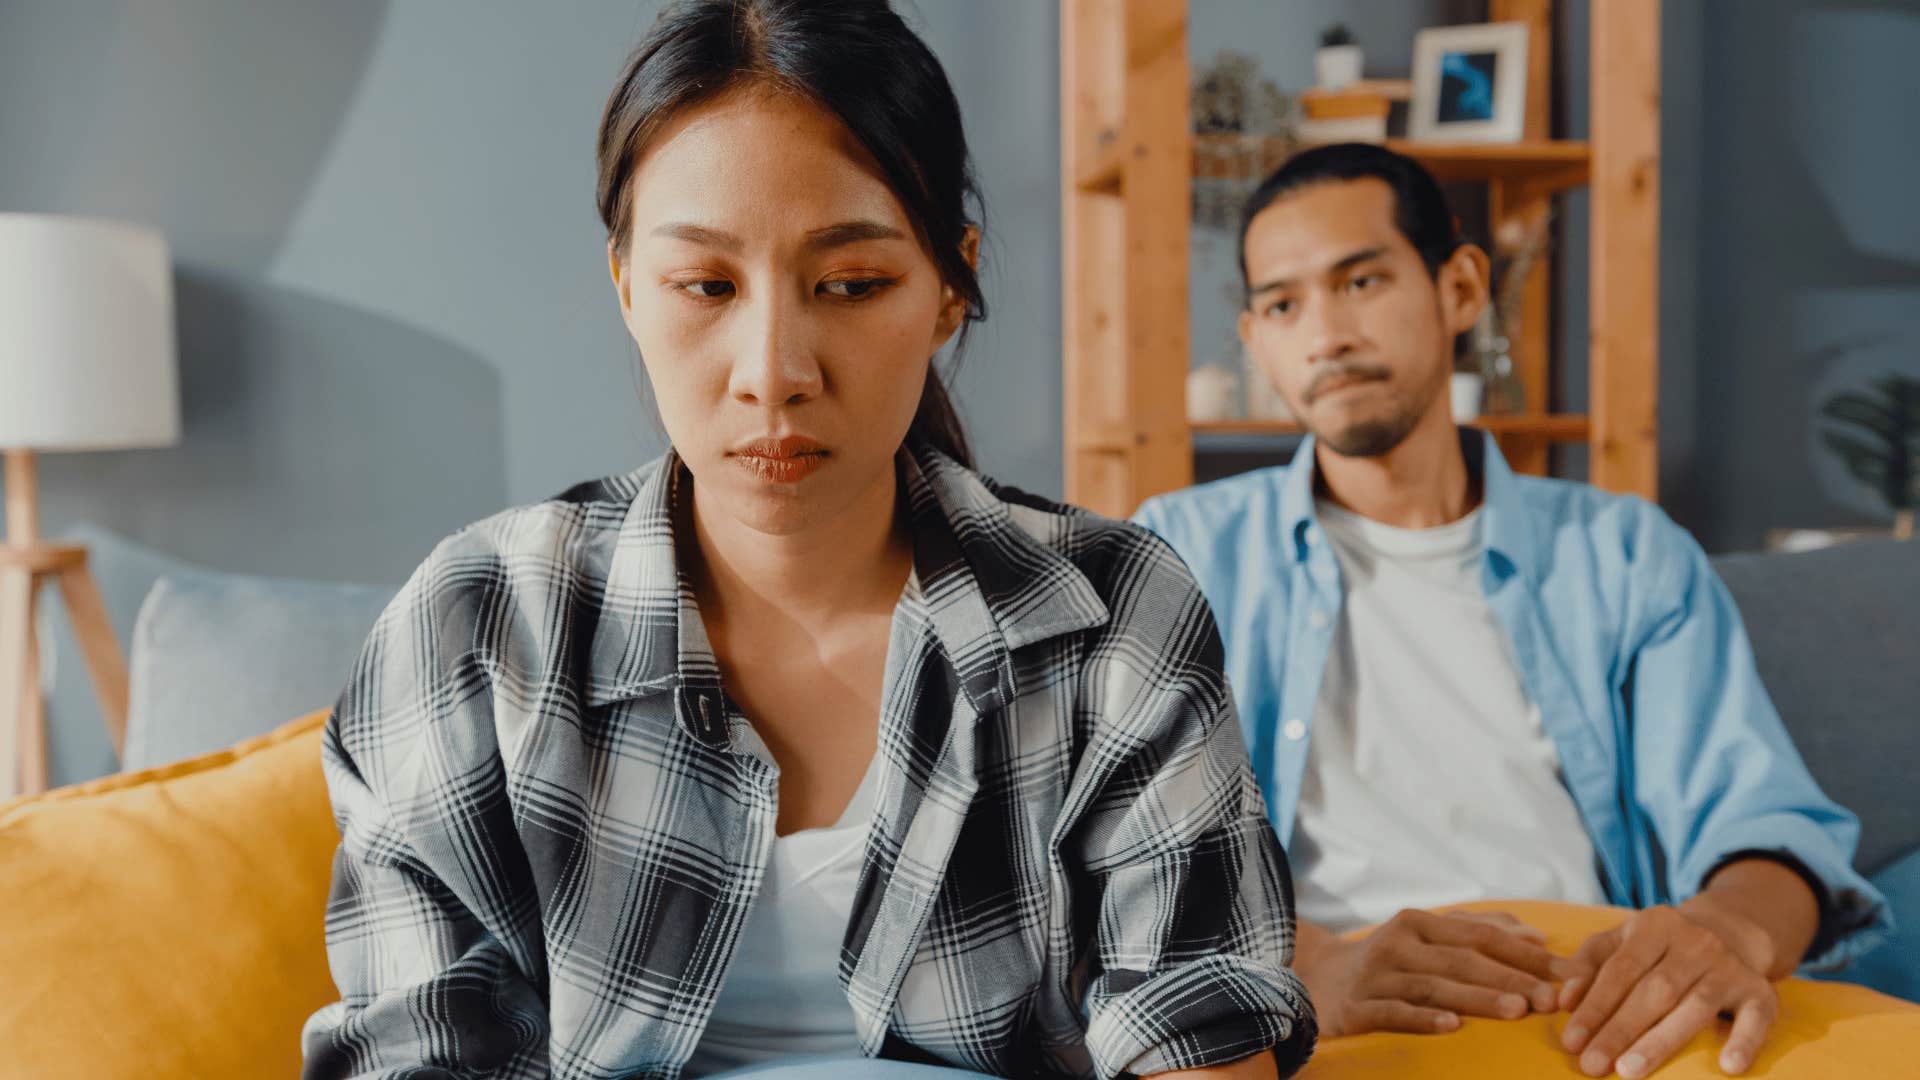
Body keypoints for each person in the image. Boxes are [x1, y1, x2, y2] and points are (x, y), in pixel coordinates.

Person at [300, 3, 1314, 1078]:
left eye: (850, 285)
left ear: (950, 287)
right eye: (706, 286)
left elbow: (1196, 1030)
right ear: (627, 287)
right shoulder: (474, 625)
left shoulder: (1115, 615)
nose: (774, 368)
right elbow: (420, 1052)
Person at [1132, 143, 1890, 1080]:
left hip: (1594, 1008)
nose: (1324, 335)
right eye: (1284, 305)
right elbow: (1111, 856)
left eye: (1361, 280)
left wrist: (1722, 930)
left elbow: (1764, 822)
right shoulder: (1176, 553)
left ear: (1458, 287)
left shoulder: (1622, 552)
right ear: (1254, 340)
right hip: (1334, 1008)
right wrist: (1304, 962)